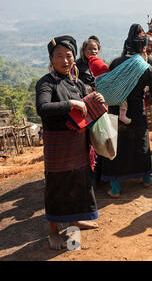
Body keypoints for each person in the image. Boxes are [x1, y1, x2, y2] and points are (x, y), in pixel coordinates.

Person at [36, 35, 105, 250]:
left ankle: (75, 220)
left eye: (69, 56)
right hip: (58, 146)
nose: (65, 61)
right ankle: (53, 232)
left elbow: (89, 97)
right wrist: (70, 104)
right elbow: (43, 108)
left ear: (74, 59)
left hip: (78, 144)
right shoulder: (46, 83)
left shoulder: (76, 83)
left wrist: (98, 98)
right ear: (51, 58)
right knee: (57, 186)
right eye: (59, 56)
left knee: (79, 183)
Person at [100, 25, 152, 199]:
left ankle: (115, 188)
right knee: (140, 143)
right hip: (136, 110)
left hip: (115, 109)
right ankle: (146, 179)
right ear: (142, 47)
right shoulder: (144, 67)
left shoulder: (115, 63)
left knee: (117, 145)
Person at [88, 56, 132, 125]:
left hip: (106, 101)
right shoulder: (107, 77)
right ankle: (122, 115)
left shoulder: (96, 80)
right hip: (116, 97)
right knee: (124, 100)